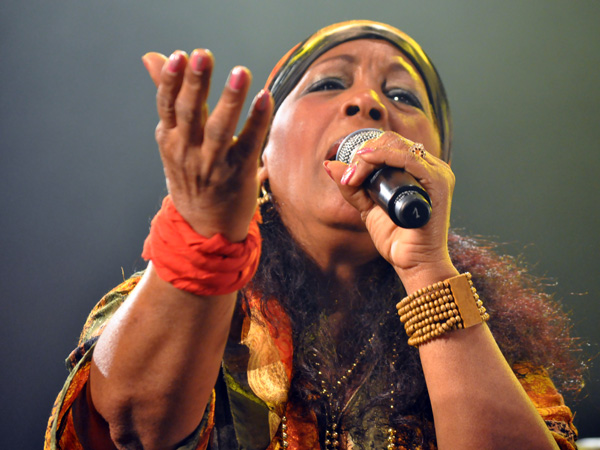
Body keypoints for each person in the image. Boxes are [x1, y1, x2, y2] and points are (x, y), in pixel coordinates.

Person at [45, 20, 583, 450]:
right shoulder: (180, 302)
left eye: (403, 97)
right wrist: (204, 240)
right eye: (329, 83)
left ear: (437, 165)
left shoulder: (492, 344)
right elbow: (134, 431)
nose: (368, 103)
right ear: (262, 157)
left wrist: (427, 271)